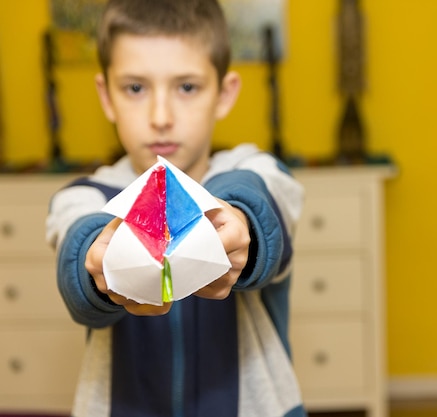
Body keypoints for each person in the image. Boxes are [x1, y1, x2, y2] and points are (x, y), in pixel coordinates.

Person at [45, 1, 306, 416]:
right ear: (106, 96)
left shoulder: (256, 169)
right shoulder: (85, 196)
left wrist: (237, 220)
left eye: (186, 87)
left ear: (224, 93)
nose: (161, 116)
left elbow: (262, 200)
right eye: (135, 88)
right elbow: (78, 245)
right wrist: (99, 266)